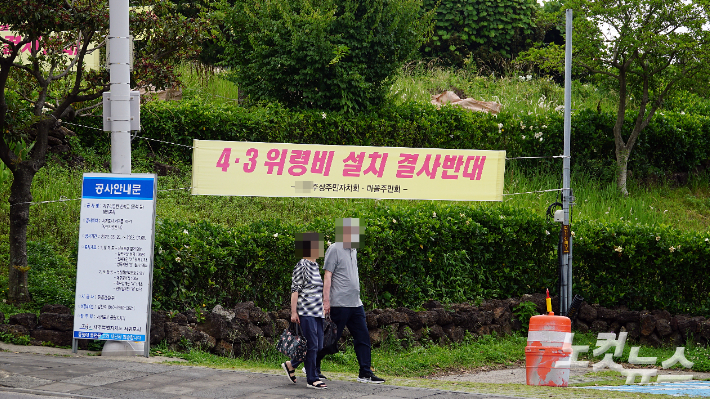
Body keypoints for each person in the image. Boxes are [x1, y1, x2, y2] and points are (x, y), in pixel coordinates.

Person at [322, 217, 385, 384]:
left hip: (356, 304)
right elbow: (328, 275)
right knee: (330, 339)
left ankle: (365, 372)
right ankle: (312, 364)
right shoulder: (334, 248)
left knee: (363, 337)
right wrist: (326, 301)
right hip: (339, 303)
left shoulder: (353, 249)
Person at [281, 232, 327, 389]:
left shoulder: (315, 266)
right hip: (306, 312)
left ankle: (291, 364)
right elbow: (295, 290)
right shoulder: (302, 265)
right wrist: (294, 312)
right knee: (312, 344)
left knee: (319, 345)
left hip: (318, 312)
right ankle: (312, 379)